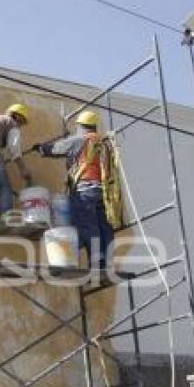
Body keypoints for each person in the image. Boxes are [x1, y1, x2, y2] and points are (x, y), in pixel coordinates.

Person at [33, 110, 121, 269]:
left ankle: (96, 261)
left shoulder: (80, 140)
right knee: (104, 226)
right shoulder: (105, 144)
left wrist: (41, 148)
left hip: (85, 191)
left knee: (88, 225)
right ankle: (105, 261)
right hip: (105, 193)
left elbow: (56, 148)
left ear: (81, 126)